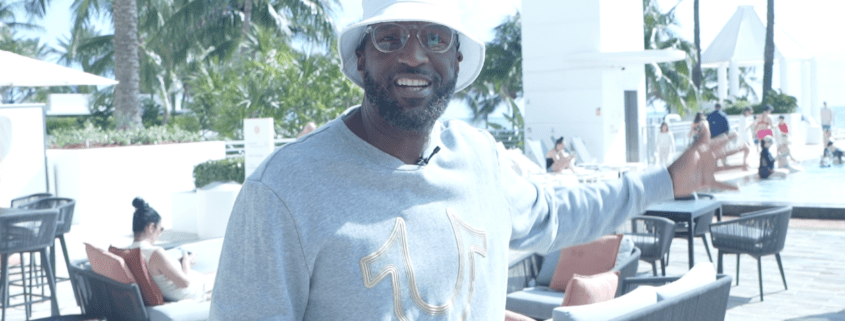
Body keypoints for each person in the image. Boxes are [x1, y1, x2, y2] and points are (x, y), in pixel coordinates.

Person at [209, 0, 740, 319]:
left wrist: (667, 181)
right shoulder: (283, 191)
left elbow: (560, 215)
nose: (413, 54)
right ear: (361, 58)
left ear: (457, 58)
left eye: (434, 37)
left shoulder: (481, 159)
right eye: (390, 38)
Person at [128, 197, 212, 302]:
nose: (160, 234)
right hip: (190, 292)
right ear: (151, 227)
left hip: (180, 289)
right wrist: (186, 261)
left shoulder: (129, 251)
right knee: (224, 277)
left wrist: (176, 263)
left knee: (214, 274)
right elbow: (185, 283)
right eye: (161, 229)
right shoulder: (155, 253)